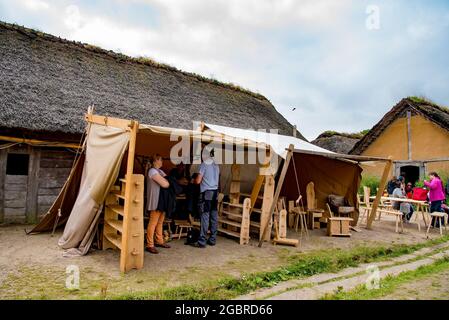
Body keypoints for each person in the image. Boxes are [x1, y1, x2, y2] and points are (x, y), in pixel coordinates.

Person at [191, 146, 220, 248]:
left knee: (205, 216)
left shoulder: (204, 165)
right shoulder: (216, 165)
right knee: (213, 216)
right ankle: (212, 239)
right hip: (215, 192)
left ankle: (202, 241)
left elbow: (198, 181)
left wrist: (194, 180)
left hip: (206, 192)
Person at [145, 154, 171, 254]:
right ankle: (150, 244)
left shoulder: (159, 171)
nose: (161, 162)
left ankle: (159, 241)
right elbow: (166, 184)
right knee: (153, 222)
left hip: (161, 201)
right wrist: (166, 181)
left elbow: (167, 180)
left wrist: (166, 180)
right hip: (155, 200)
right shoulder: (152, 171)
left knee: (160, 222)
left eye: (161, 160)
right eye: (159, 160)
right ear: (154, 161)